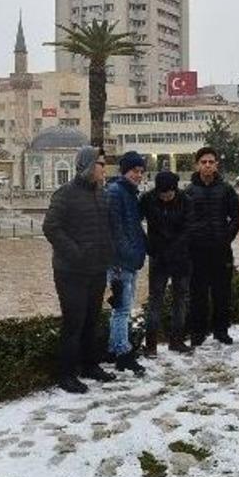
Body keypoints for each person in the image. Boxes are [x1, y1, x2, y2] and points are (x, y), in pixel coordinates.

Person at [42, 146, 115, 393]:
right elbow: (51, 228)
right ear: (87, 166)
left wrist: (108, 257)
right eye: (100, 164)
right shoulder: (64, 194)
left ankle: (89, 365)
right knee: (74, 322)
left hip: (97, 269)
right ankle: (66, 375)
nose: (104, 169)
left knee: (92, 321)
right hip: (70, 272)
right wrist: (75, 252)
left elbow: (106, 230)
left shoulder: (102, 194)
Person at [185, 146, 239, 347]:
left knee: (222, 293)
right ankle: (198, 332)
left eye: (211, 162)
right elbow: (183, 220)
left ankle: (221, 331)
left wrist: (226, 236)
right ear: (197, 165)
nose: (207, 165)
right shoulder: (189, 192)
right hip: (196, 251)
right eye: (203, 162)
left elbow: (237, 216)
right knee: (197, 293)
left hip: (220, 249)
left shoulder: (226, 190)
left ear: (217, 165)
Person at [139, 170, 193, 356]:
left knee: (180, 300)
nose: (166, 197)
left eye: (169, 193)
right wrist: (148, 245)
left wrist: (175, 248)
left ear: (175, 189)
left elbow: (189, 229)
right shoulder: (147, 199)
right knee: (155, 300)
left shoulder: (186, 201)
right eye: (162, 194)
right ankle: (151, 344)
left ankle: (176, 341)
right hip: (158, 258)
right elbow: (135, 223)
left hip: (181, 258)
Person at [105, 150, 148, 378]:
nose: (138, 175)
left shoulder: (129, 193)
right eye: (135, 171)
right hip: (120, 263)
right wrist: (129, 255)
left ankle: (114, 348)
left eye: (141, 171)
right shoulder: (115, 193)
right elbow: (115, 232)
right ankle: (123, 354)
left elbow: (133, 227)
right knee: (122, 309)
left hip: (129, 260)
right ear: (125, 171)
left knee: (121, 309)